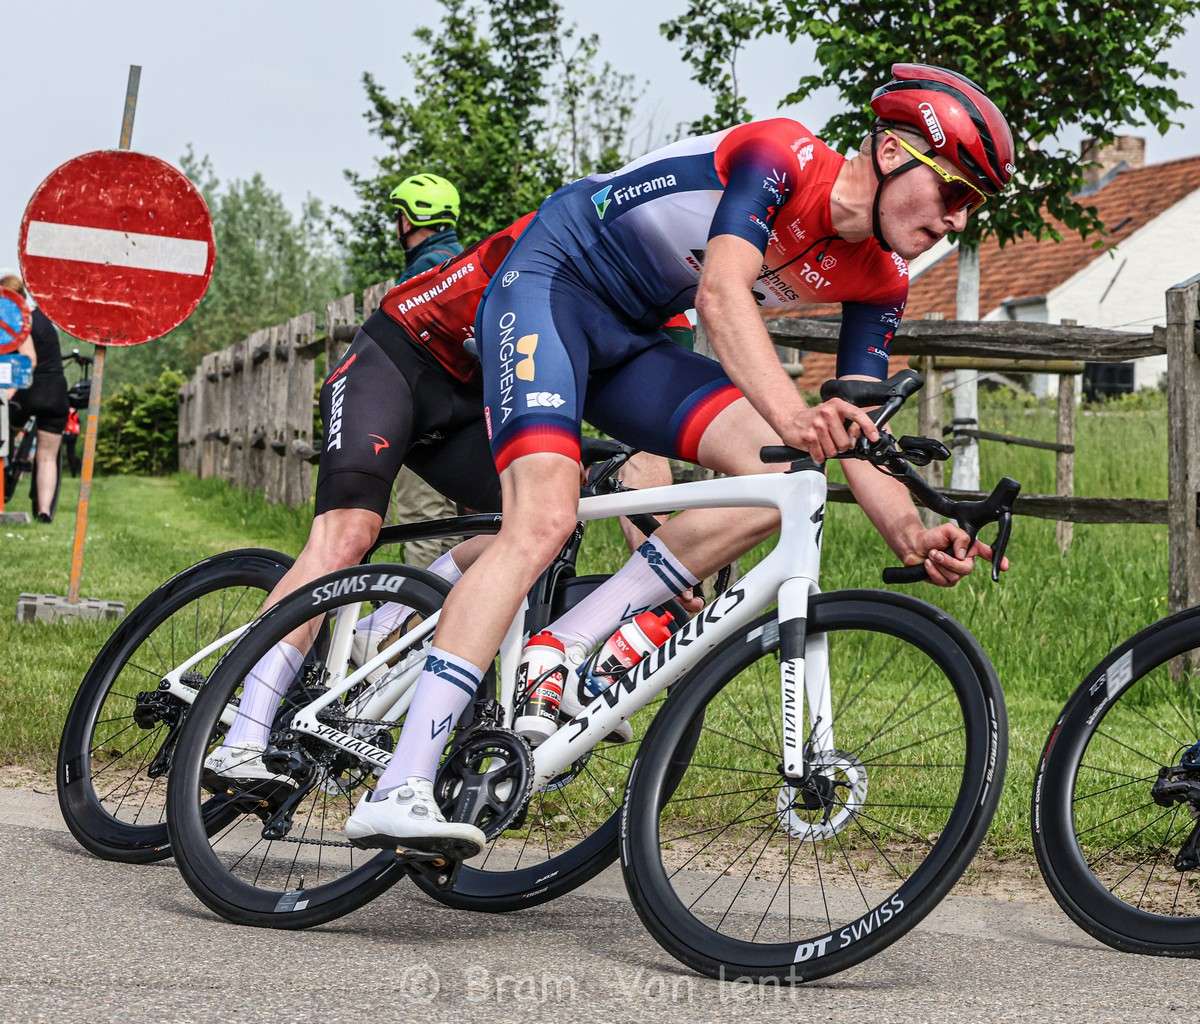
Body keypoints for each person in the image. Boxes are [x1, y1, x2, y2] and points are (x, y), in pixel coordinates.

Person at [344, 64, 1015, 856]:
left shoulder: (883, 277)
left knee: (782, 476)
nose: (957, 220)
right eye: (954, 191)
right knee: (543, 519)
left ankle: (565, 643)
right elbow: (721, 295)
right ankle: (400, 784)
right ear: (895, 152)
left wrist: (911, 530)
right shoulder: (781, 155)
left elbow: (857, 428)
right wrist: (794, 415)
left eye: (973, 204)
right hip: (552, 283)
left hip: (633, 339)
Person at [204, 213, 697, 782]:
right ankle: (243, 735)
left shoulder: (672, 314)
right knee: (347, 535)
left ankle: (383, 625)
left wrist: (662, 562)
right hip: (398, 363)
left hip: (474, 401)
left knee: (543, 523)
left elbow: (643, 451)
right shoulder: (579, 236)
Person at [387, 174, 468, 569]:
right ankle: (443, 604)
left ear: (409, 219)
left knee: (421, 521)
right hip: (458, 416)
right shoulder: (460, 261)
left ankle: (408, 607)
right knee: (448, 524)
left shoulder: (424, 270)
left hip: (424, 413)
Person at [0, 271, 67, 522]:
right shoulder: (44, 319)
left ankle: (8, 473)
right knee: (48, 456)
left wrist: (9, 392)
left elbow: (28, 359)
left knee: (4, 433)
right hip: (56, 392)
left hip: (28, 391)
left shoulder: (16, 320)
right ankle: (44, 511)